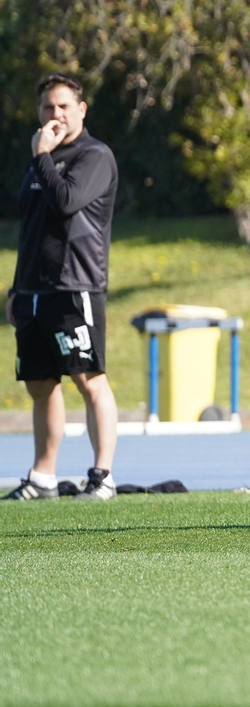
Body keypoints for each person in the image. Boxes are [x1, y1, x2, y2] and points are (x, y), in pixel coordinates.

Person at [5, 74, 121, 500]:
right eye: (48, 108)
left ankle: (102, 476)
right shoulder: (41, 159)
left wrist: (43, 156)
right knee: (41, 383)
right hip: (35, 290)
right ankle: (43, 477)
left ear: (81, 109)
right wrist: (17, 289)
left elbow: (67, 201)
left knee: (88, 379)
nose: (55, 115)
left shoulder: (94, 156)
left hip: (76, 286)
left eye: (63, 107)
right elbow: (32, 228)